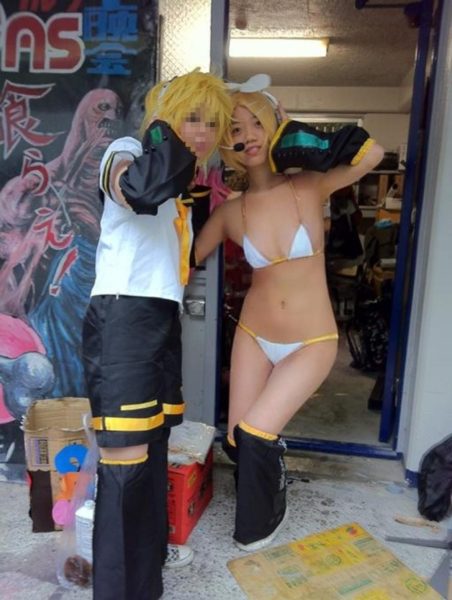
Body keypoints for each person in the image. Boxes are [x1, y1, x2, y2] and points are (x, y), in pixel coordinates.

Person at [195, 84, 384, 552]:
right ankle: (263, 472)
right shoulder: (231, 212)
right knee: (237, 440)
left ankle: (259, 523)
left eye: (257, 123)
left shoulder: (309, 185)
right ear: (227, 142)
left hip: (312, 340)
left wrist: (300, 133)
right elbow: (185, 259)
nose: (249, 135)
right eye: (235, 129)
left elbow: (373, 153)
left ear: (274, 126)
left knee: (256, 433)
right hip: (254, 335)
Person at [81, 70, 232, 600]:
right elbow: (134, 189)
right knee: (124, 461)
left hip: (160, 321)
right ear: (163, 120)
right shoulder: (127, 150)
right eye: (191, 118)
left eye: (212, 123)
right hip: (122, 321)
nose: (203, 132)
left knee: (152, 452)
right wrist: (163, 133)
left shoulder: (180, 190)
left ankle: (145, 584)